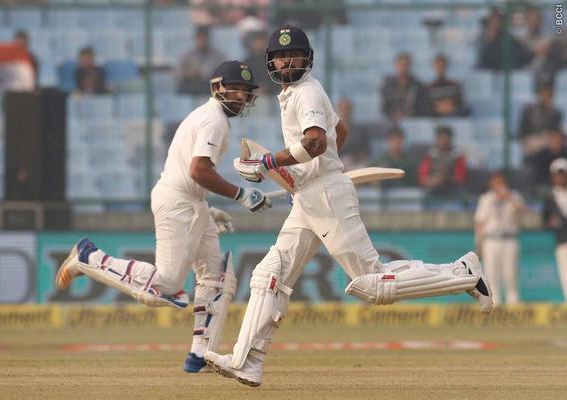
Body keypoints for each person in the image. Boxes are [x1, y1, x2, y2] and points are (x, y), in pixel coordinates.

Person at [204, 25, 492, 388]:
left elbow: (316, 143)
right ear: (270, 62)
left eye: (292, 55)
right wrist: (306, 176)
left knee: (373, 284)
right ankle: (247, 362)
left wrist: (272, 163)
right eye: (279, 57)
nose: (286, 62)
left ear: (307, 59)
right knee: (269, 275)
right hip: (311, 196)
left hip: (326, 198)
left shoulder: (307, 92)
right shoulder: (295, 93)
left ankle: (463, 273)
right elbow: (338, 133)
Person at [55, 61, 271, 372]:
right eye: (234, 88)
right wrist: (241, 195)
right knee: (166, 285)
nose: (240, 96)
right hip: (179, 203)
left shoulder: (207, 116)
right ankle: (90, 257)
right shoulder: (213, 120)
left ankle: (200, 355)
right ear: (217, 88)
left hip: (190, 201)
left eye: (245, 91)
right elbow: (198, 170)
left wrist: (205, 209)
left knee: (217, 276)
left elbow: (191, 173)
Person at [474, 171, 525, 305]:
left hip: (509, 238)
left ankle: (513, 302)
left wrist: (508, 197)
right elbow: (480, 222)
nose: (498, 185)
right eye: (495, 182)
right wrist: (479, 244)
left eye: (501, 182)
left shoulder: (514, 196)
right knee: (491, 273)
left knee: (510, 273)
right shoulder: (486, 199)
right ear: (491, 183)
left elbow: (523, 211)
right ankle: (494, 303)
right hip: (491, 239)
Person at [418, 125, 468, 197]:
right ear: (437, 139)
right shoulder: (430, 155)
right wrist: (433, 180)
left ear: (450, 139)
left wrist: (446, 178)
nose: (444, 141)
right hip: (433, 187)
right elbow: (423, 178)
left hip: (452, 188)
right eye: (441, 138)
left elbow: (460, 178)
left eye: (446, 139)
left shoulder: (457, 156)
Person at [543, 158, 567, 302]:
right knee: (565, 275)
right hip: (562, 240)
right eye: (558, 175)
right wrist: (551, 223)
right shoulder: (550, 196)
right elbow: (545, 220)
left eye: (563, 174)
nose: (560, 177)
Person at [176, 26, 226, 95]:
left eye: (205, 38)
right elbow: (178, 74)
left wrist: (204, 75)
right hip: (190, 87)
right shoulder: (187, 56)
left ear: (209, 39)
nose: (202, 41)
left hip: (209, 88)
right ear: (196, 39)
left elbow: (223, 75)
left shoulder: (218, 56)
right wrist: (190, 74)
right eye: (200, 38)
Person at [518, 82, 563, 159]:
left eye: (549, 95)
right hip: (532, 140)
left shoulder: (556, 112)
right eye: (544, 94)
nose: (546, 97)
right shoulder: (529, 110)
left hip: (549, 140)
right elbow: (522, 130)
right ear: (539, 94)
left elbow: (557, 131)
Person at [380, 52, 430, 121]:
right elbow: (385, 107)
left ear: (410, 66)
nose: (403, 68)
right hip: (392, 121)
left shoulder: (418, 85)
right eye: (401, 65)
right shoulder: (388, 85)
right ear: (396, 66)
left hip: (412, 121)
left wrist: (408, 115)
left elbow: (422, 108)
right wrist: (393, 115)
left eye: (406, 65)